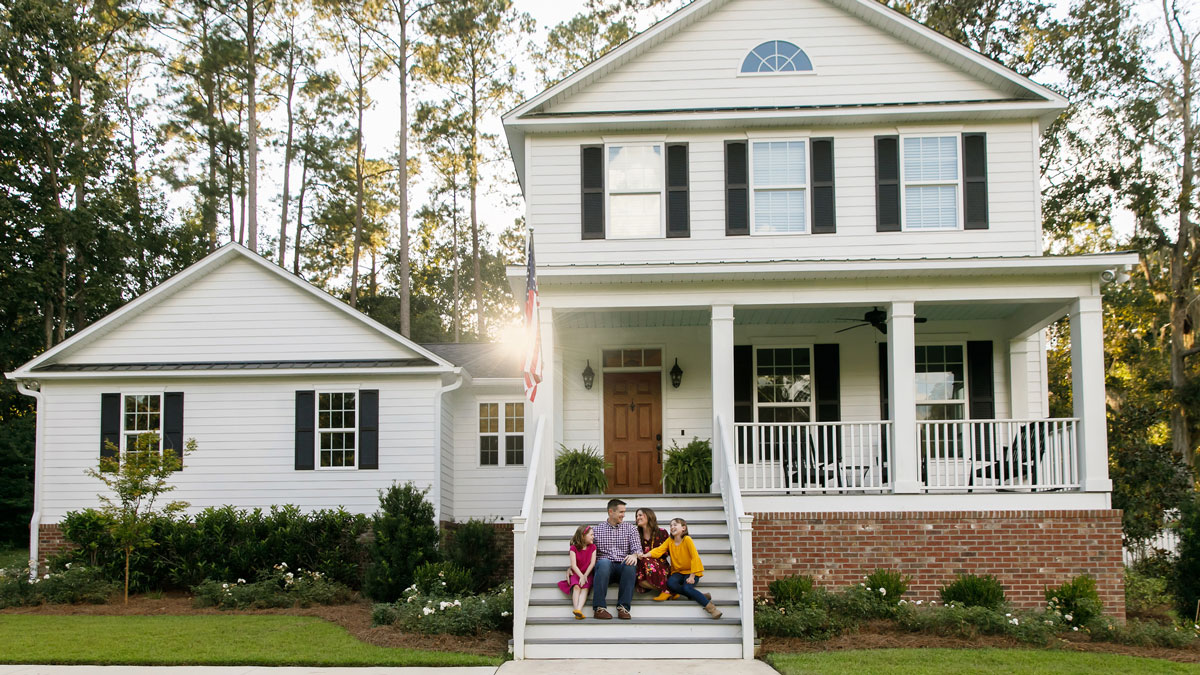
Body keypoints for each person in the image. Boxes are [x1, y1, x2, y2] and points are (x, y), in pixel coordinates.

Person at [641, 517, 722, 618]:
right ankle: (698, 595)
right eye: (670, 525)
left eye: (675, 525)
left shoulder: (687, 539)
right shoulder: (670, 540)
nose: (672, 527)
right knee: (670, 584)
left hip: (691, 571)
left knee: (687, 588)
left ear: (683, 528)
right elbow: (659, 550)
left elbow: (695, 557)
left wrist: (692, 576)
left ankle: (712, 609)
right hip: (678, 572)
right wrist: (646, 555)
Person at [591, 498, 641, 620]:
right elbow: (584, 549)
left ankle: (623, 608)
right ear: (611, 512)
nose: (623, 515)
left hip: (623, 568)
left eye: (624, 512)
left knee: (630, 564)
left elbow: (637, 549)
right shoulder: (596, 530)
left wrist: (634, 555)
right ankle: (599, 609)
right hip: (604, 570)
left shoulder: (631, 529)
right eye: (621, 512)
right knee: (604, 562)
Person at [557, 525, 596, 620]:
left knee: (585, 588)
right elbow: (573, 565)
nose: (593, 537)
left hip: (587, 573)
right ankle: (576, 609)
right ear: (583, 536)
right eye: (591, 535)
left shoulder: (593, 547)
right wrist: (581, 576)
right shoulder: (573, 548)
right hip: (576, 573)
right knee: (576, 587)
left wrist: (585, 575)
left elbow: (592, 563)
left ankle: (579, 609)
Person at [634, 507, 669, 594]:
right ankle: (667, 590)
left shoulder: (662, 532)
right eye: (636, 516)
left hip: (661, 565)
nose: (638, 518)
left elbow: (670, 551)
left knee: (646, 561)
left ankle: (666, 590)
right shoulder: (635, 534)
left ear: (649, 516)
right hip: (642, 567)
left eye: (640, 515)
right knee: (640, 580)